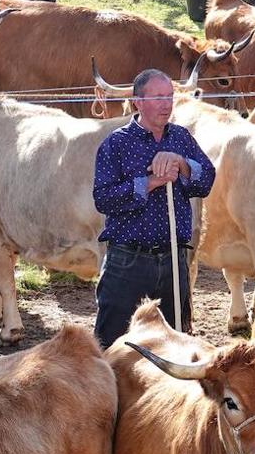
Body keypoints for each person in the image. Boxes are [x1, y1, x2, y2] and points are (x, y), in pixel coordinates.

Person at [92, 69, 216, 348]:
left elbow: (206, 179)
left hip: (173, 258)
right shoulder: (116, 144)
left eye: (170, 96)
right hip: (127, 262)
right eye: (158, 97)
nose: (166, 104)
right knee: (112, 344)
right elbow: (103, 199)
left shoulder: (181, 138)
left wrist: (182, 164)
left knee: (174, 344)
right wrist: (151, 182)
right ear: (137, 101)